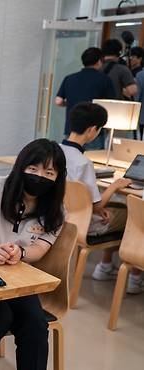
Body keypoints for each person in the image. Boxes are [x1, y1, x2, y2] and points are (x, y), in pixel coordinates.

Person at [0, 138, 67, 370]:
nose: (40, 176)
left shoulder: (56, 209)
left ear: (58, 177)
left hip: (18, 281)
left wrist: (21, 252)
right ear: (21, 166)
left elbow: (40, 248)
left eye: (49, 172)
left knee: (36, 325)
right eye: (33, 168)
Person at [59, 102, 142, 293]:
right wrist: (114, 185)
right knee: (132, 215)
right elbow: (96, 207)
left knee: (116, 209)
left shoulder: (56, 151)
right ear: (92, 130)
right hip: (83, 223)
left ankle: (106, 266)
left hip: (63, 216)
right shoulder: (83, 163)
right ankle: (134, 277)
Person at [55, 47, 115, 149]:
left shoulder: (70, 78)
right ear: (99, 61)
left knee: (69, 159)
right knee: (93, 160)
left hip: (72, 129)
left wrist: (69, 103)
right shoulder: (105, 80)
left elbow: (58, 101)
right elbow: (111, 103)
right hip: (93, 130)